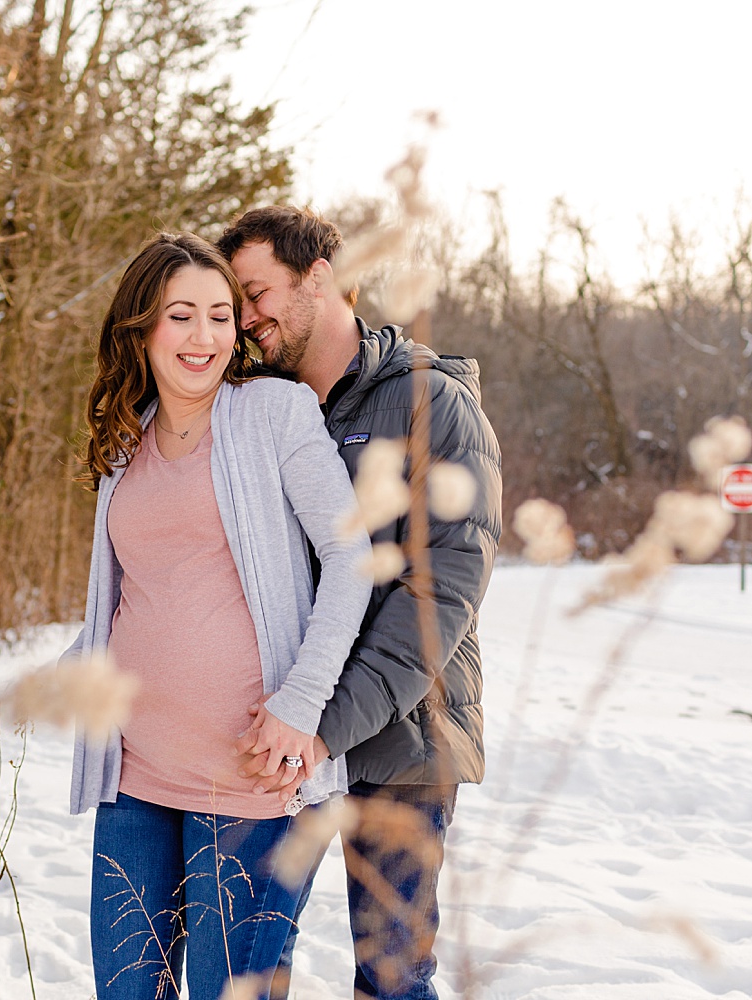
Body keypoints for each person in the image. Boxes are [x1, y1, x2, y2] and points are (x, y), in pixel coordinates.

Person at [60, 232, 372, 1000]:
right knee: (128, 992)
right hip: (136, 775)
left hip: (251, 784)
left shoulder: (273, 412)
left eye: (220, 316)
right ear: (141, 328)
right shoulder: (124, 436)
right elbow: (138, 590)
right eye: (180, 316)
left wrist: (302, 705)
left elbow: (351, 558)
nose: (204, 337)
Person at [217, 207, 503, 1000]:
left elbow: (438, 594)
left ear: (320, 278)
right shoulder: (259, 410)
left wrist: (323, 723)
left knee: (390, 983)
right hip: (283, 743)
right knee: (244, 972)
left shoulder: (430, 405)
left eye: (256, 293)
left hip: (399, 745)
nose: (245, 321)